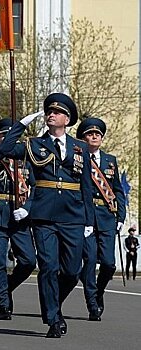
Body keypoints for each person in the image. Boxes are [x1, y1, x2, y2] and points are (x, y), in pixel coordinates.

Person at [0, 93, 95, 338]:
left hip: (73, 215)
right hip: (43, 216)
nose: (51, 115)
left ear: (67, 118)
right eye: (49, 112)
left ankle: (55, 304)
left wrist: (89, 221)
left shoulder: (79, 147)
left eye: (57, 112)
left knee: (72, 272)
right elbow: (6, 149)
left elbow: (86, 185)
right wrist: (21, 125)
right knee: (49, 267)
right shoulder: (34, 144)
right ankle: (52, 317)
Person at [0, 119, 36, 320]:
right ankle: (3, 302)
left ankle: (7, 287)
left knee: (28, 260)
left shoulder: (26, 160)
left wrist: (27, 208)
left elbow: (35, 187)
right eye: (5, 137)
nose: (10, 141)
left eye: (14, 137)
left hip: (19, 215)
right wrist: (3, 149)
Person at [76, 117, 126, 321]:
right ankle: (92, 303)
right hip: (85, 217)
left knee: (109, 264)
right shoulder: (77, 158)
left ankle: (98, 291)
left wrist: (120, 215)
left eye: (98, 134)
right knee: (89, 261)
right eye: (90, 133)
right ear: (83, 138)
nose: (95, 136)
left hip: (106, 217)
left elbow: (117, 190)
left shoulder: (109, 160)